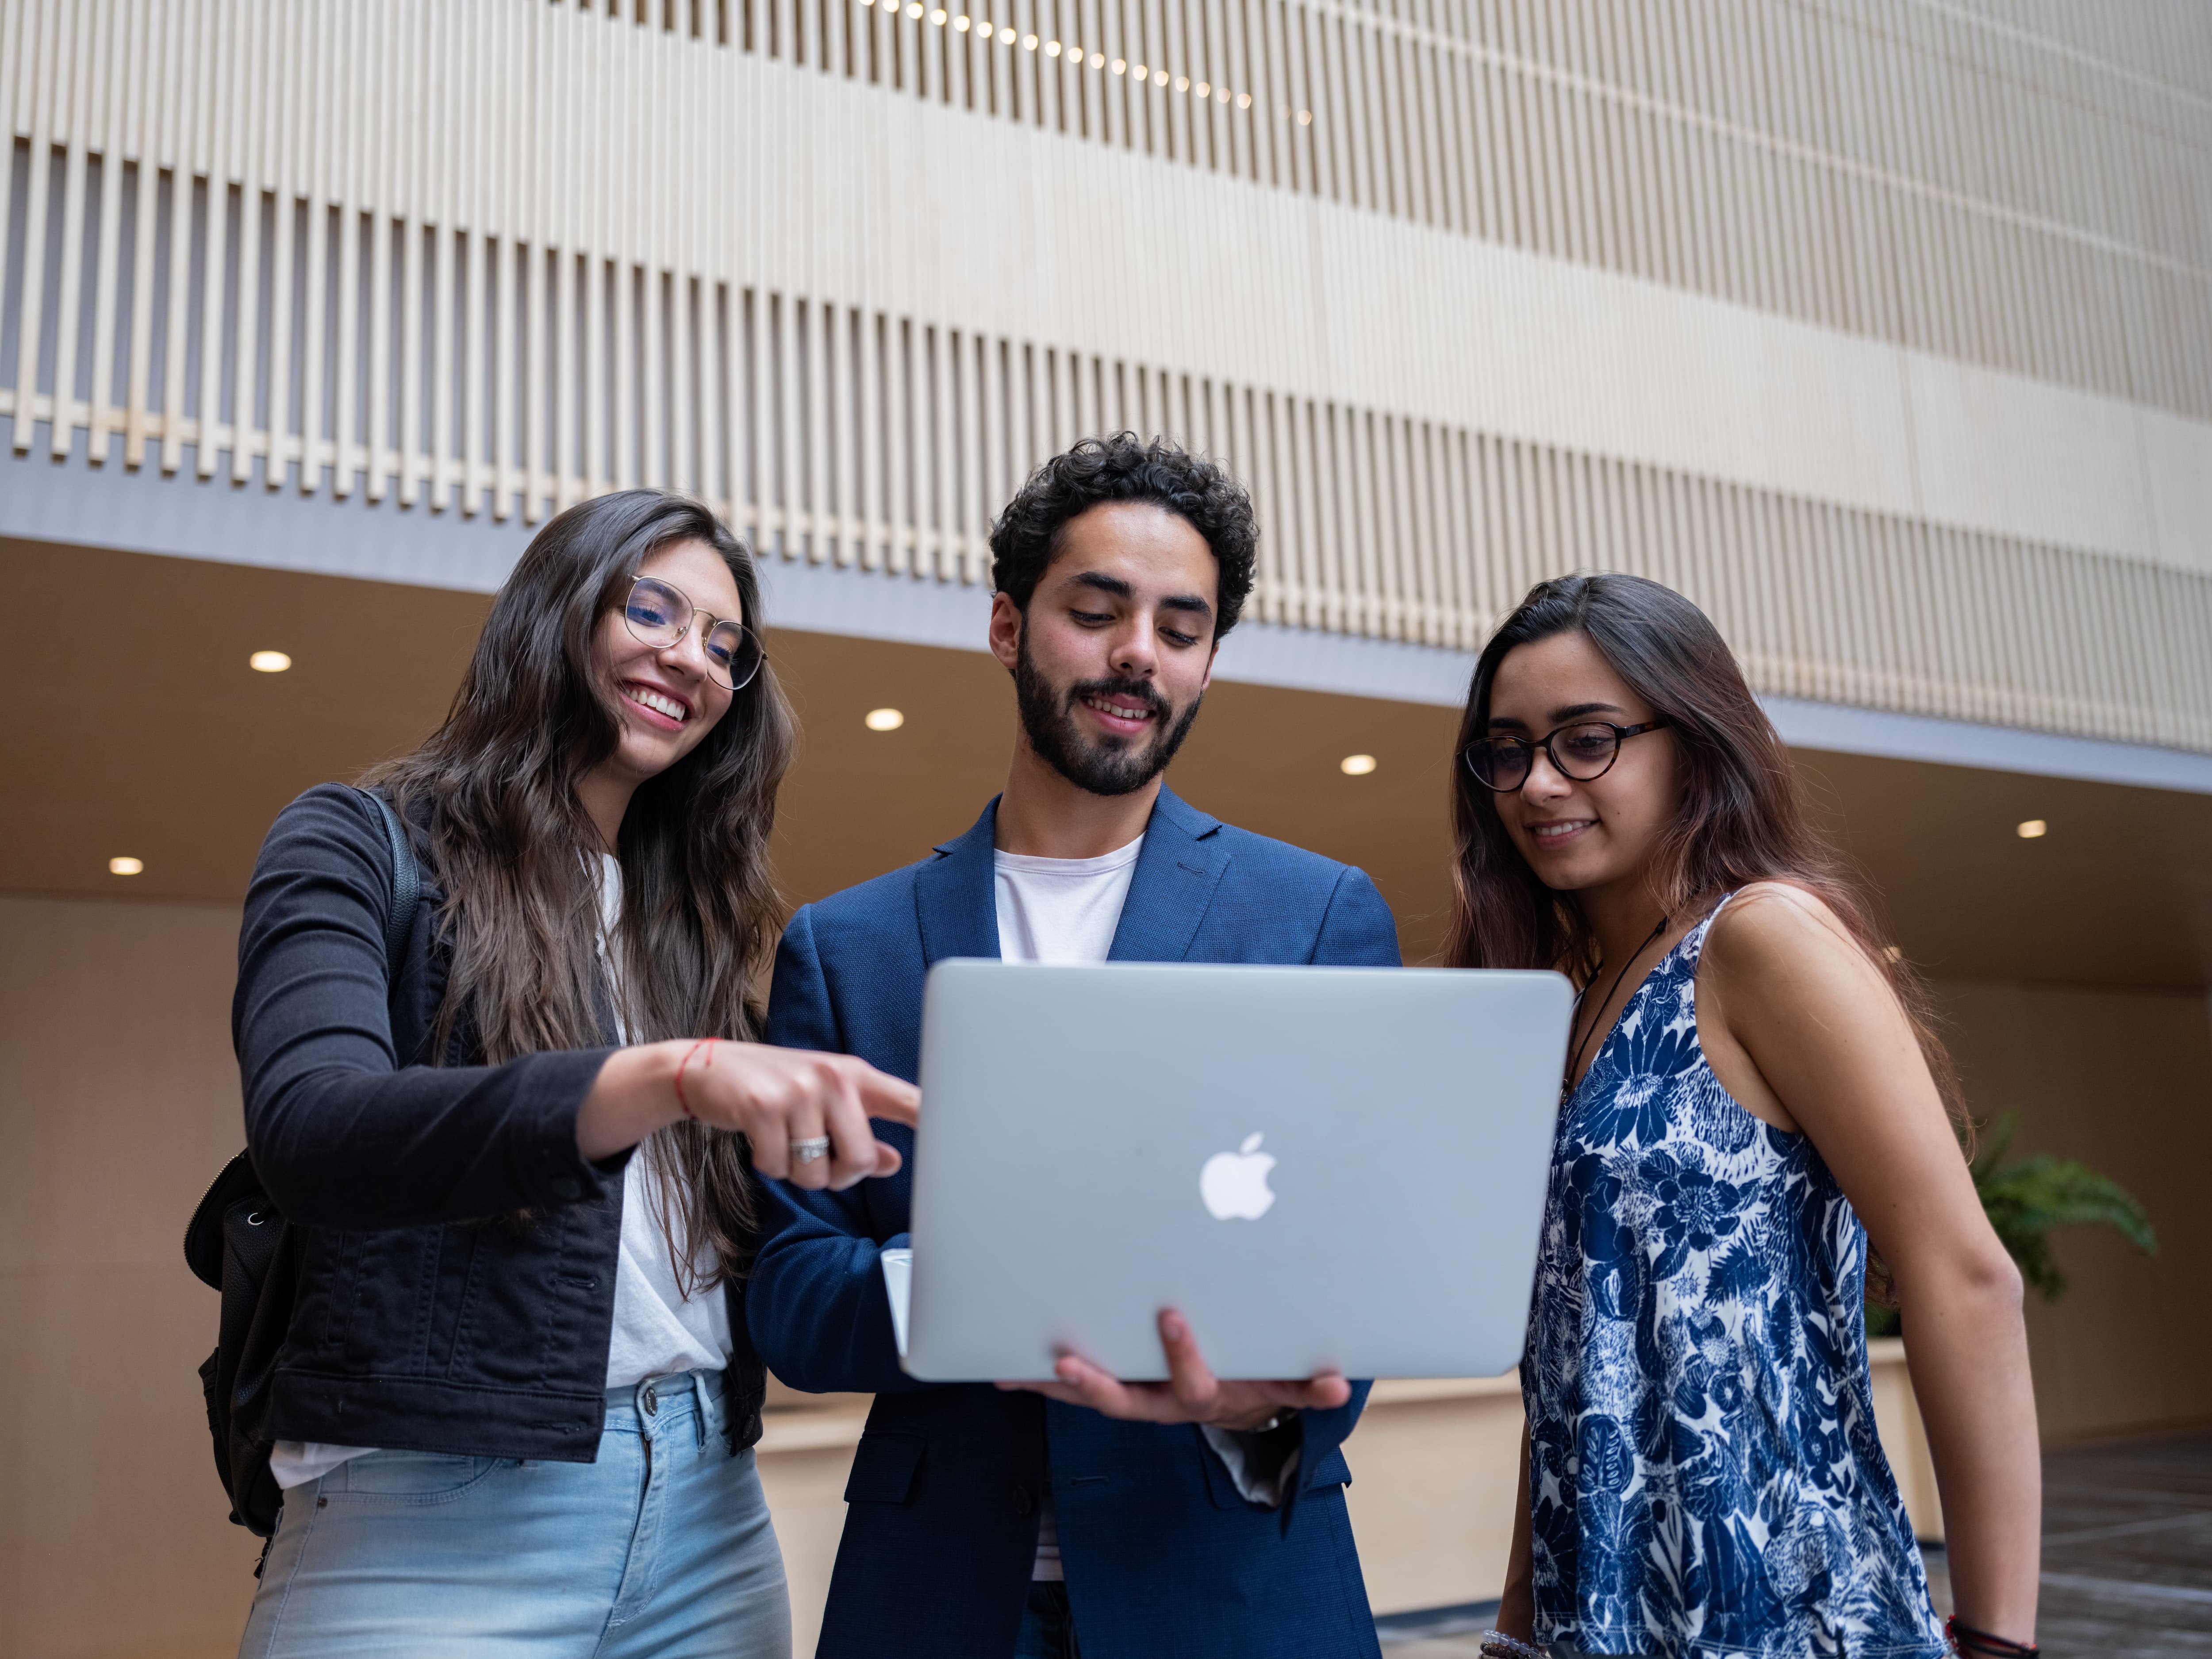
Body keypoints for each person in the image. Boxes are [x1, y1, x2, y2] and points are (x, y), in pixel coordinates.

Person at [230, 489, 920, 1659]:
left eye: (724, 645)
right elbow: (315, 1127)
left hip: (709, 1509)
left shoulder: (691, 925)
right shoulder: (357, 840)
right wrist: (671, 1075)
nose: (689, 657)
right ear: (559, 606)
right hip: (430, 1517)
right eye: (650, 607)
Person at [747, 434, 1402, 1659]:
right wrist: (993, 1276)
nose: (1136, 654)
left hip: (1229, 1588)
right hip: (939, 1596)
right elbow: (790, 1295)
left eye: (1180, 626)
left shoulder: (1314, 914)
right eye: (1096, 610)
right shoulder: (849, 947)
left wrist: (1269, 1400)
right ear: (1008, 625)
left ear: (1208, 662)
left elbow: (1351, 1269)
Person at [1449, 575, 2041, 1659]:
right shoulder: (1577, 1011)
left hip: (1781, 1605)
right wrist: (1515, 1629)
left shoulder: (1759, 939)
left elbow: (1965, 1279)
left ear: (1696, 741)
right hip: (1604, 1615)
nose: (1536, 784)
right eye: (1506, 750)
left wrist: (1999, 1643)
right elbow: (1580, 1360)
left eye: (1585, 741)